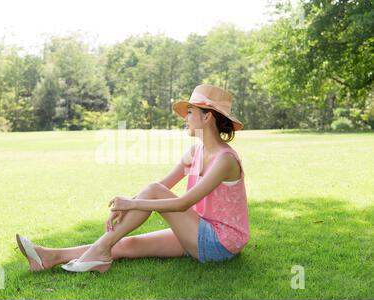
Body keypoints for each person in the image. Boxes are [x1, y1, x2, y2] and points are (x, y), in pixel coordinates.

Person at [16, 84, 250, 273]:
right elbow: (164, 185)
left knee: (152, 190)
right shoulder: (195, 152)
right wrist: (126, 206)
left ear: (207, 117)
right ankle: (50, 257)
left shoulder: (224, 159)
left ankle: (100, 252)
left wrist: (132, 203)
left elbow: (182, 203)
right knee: (129, 244)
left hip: (220, 243)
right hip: (197, 231)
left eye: (190, 112)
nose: (185, 118)